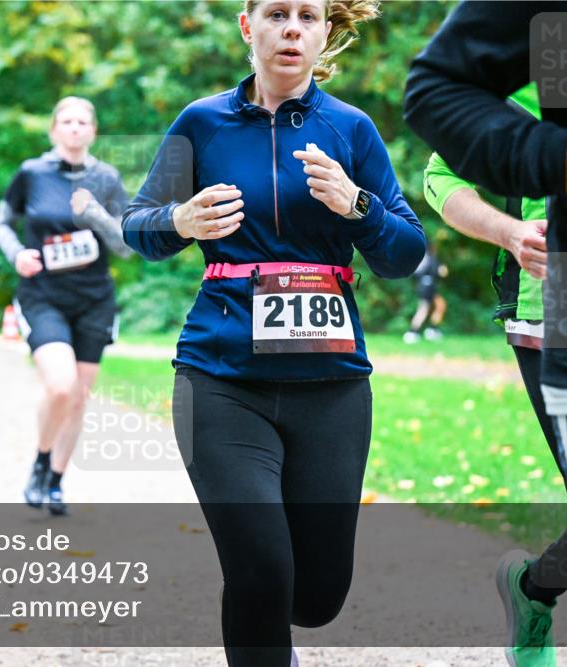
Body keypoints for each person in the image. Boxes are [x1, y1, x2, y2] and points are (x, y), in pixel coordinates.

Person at [122, 1, 424, 664]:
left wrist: (359, 206)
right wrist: (180, 220)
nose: (292, 28)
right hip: (221, 380)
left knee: (315, 596)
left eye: (308, 17)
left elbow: (406, 253)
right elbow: (135, 225)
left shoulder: (352, 129)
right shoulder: (202, 123)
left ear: (324, 33)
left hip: (332, 388)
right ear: (247, 26)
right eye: (277, 13)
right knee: (259, 567)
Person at [404, 3, 567, 665]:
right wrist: (510, 232)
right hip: (557, 317)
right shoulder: (526, 80)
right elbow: (440, 175)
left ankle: (534, 585)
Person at [0, 96, 131, 516]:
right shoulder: (32, 173)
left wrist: (96, 215)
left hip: (93, 299)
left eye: (82, 122)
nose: (74, 128)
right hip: (43, 295)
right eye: (66, 121)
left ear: (92, 131)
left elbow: (125, 246)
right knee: (60, 386)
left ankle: (54, 481)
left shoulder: (106, 178)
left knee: (78, 396)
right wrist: (17, 253)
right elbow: (1, 222)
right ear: (54, 130)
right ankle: (40, 461)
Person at [403, 243, 448, 343]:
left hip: (423, 285)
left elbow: (415, 273)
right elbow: (442, 272)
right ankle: (413, 332)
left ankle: (431, 329)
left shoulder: (422, 258)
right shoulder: (432, 259)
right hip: (429, 286)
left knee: (440, 305)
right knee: (424, 309)